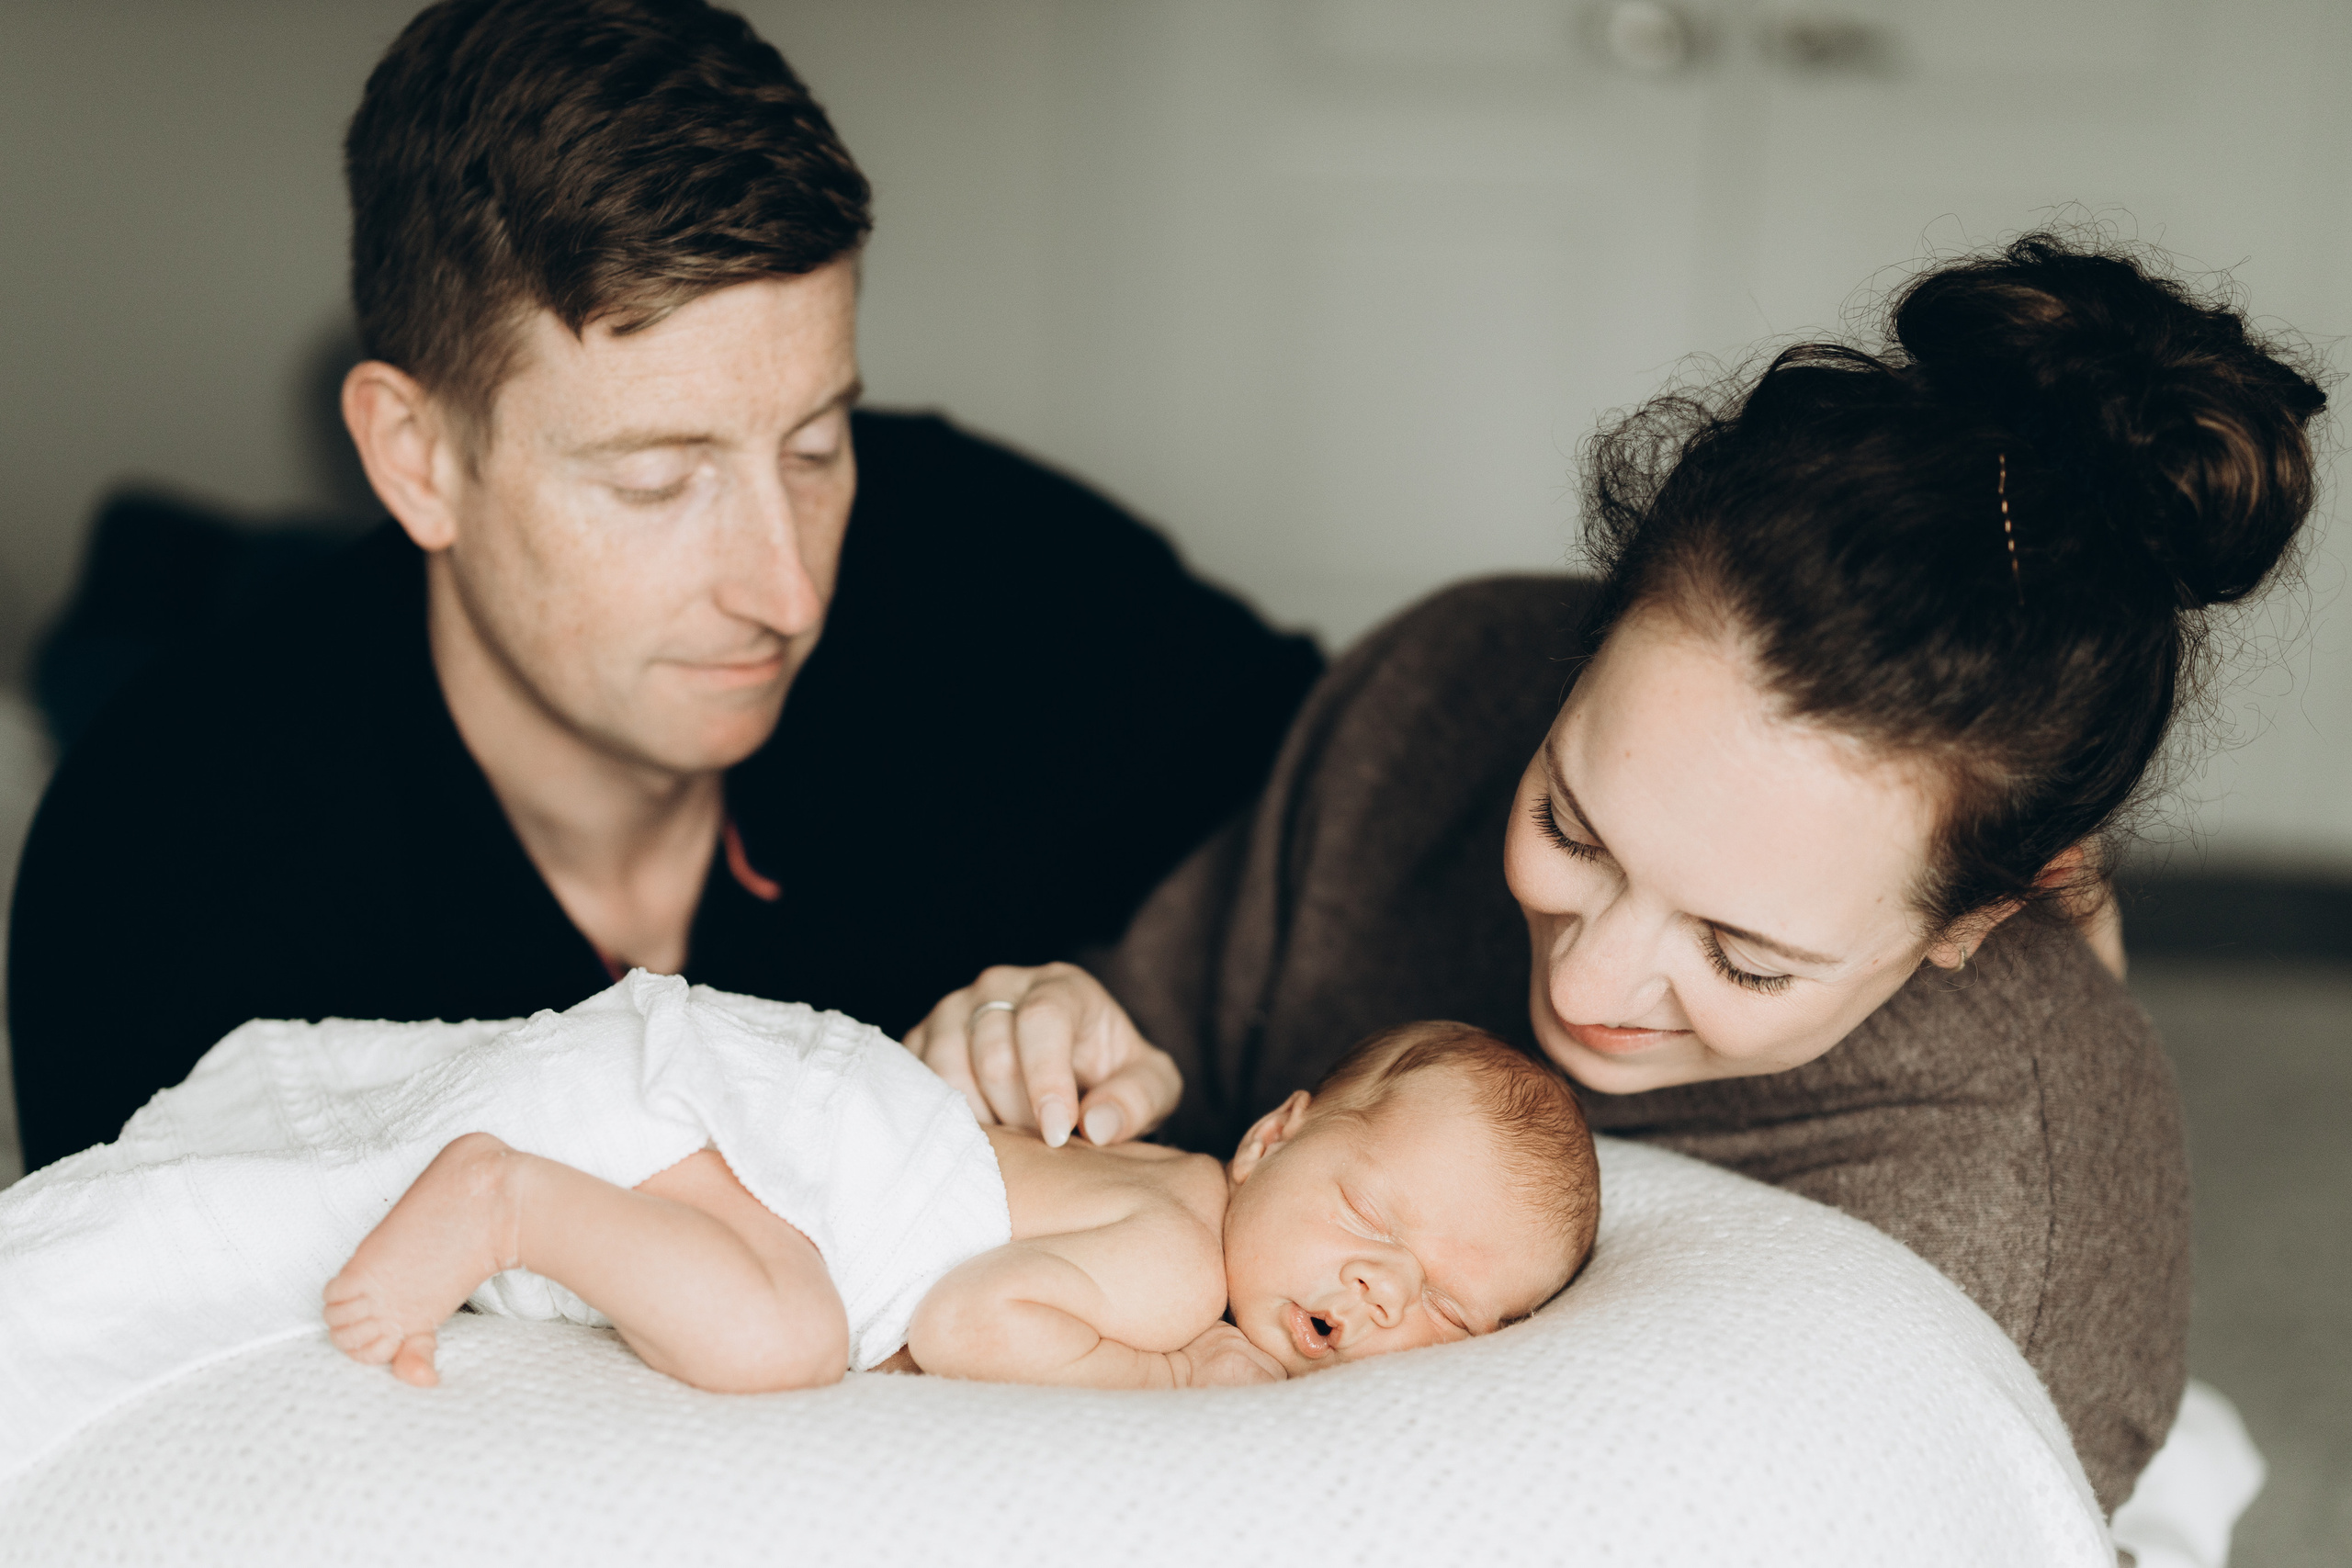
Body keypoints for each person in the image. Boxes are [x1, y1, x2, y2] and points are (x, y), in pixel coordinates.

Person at [902, 234, 2328, 1512]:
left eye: (1744, 955)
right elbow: (1165, 1075)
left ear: (1984, 913)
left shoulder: (2014, 1216)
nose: (1583, 987)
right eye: (1573, 830)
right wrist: (1063, 1048)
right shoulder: (1442, 701)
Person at [7, 0, 1320, 1170]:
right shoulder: (161, 869)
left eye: (815, 447)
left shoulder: (985, 563)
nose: (789, 590)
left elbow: (1364, 803)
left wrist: (1105, 1002)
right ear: (415, 458)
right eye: (655, 480)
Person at [320, 1014, 1596, 1393]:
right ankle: (508, 1202)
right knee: (786, 1337)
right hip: (761, 1142)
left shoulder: (1167, 1180)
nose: (1383, 1286)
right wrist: (1164, 1383)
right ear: (1273, 1140)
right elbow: (977, 1320)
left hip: (749, 1103)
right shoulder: (1178, 1264)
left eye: (1452, 1307)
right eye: (1374, 1222)